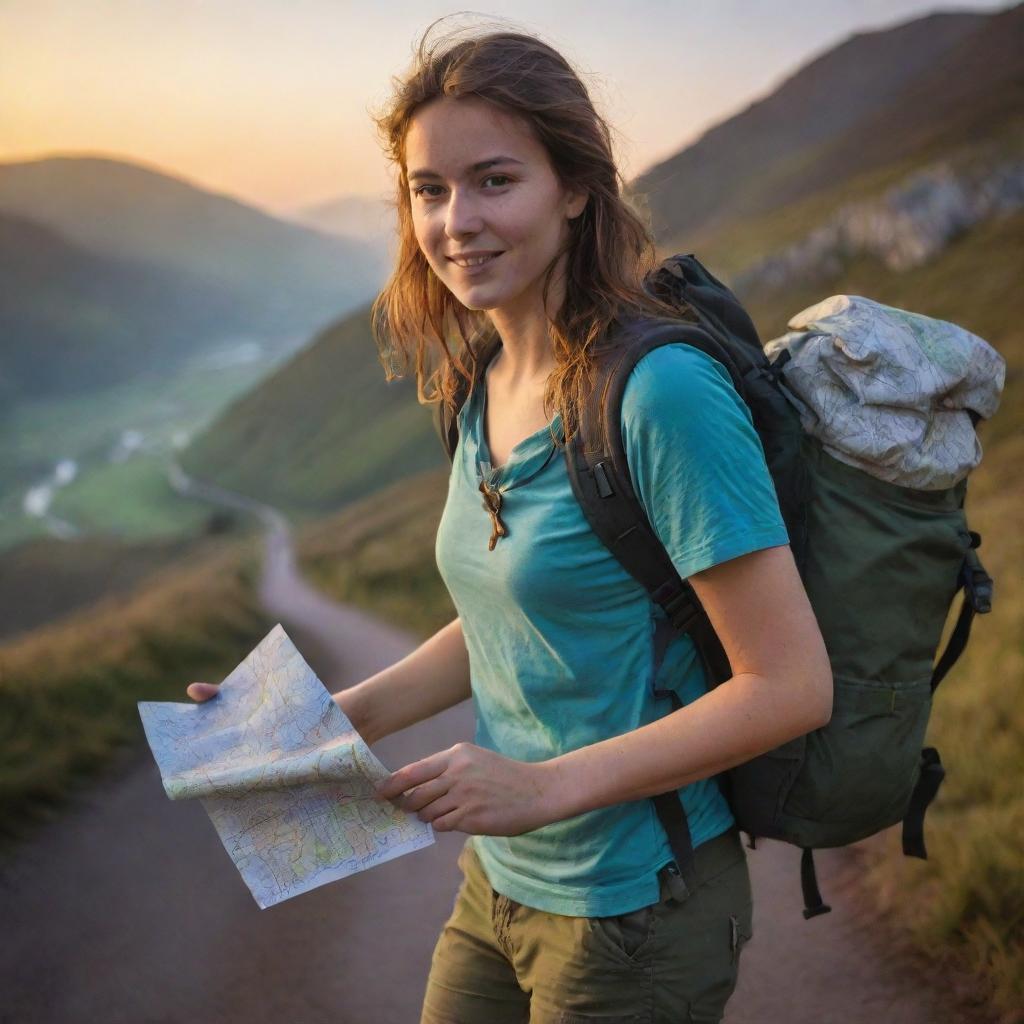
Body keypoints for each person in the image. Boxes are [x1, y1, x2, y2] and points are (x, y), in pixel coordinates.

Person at [188, 18, 832, 1023]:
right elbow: (517, 614)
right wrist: (338, 717)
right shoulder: (479, 380)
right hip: (498, 886)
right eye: (429, 190)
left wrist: (542, 787)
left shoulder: (662, 394)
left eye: (495, 180)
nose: (455, 222)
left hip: (636, 907)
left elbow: (790, 684)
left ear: (574, 189)